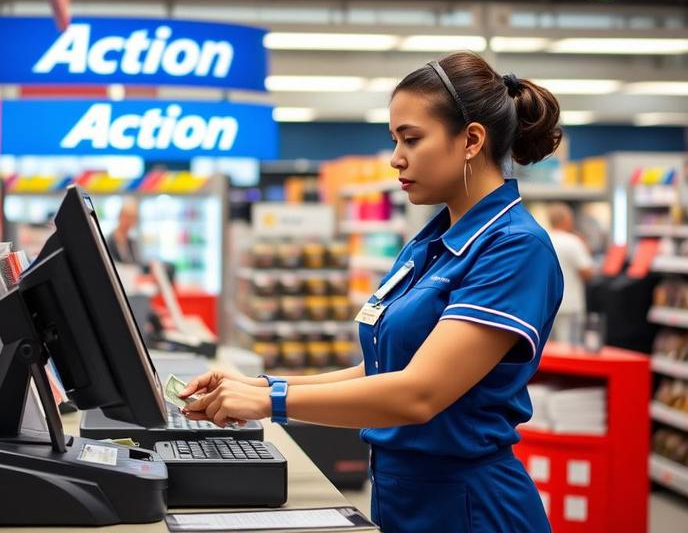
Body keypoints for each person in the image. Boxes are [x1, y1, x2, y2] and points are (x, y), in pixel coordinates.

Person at [180, 51, 564, 533]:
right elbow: (379, 370)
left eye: (412, 139)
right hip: (401, 495)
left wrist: (273, 402)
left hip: (470, 507)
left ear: (471, 140)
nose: (396, 158)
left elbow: (419, 393)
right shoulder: (429, 244)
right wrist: (260, 385)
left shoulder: (514, 248)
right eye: (394, 140)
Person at [547, 202, 594, 344]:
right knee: (570, 348)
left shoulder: (543, 239)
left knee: (547, 348)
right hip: (570, 305)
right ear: (566, 220)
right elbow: (587, 273)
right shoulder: (573, 241)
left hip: (547, 304)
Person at [106, 199, 141, 266]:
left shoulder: (132, 242)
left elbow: (137, 263)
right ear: (120, 216)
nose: (130, 221)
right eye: (128, 217)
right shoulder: (109, 240)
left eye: (133, 218)